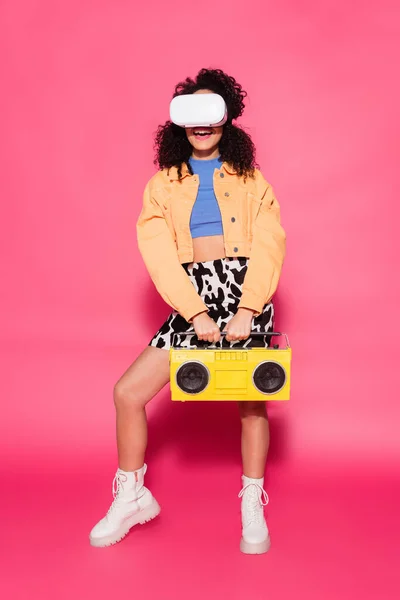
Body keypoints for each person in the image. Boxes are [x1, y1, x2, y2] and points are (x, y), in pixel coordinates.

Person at [89, 68, 286, 554]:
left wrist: (249, 307)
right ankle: (133, 496)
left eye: (210, 114)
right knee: (128, 393)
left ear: (226, 119)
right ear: (179, 123)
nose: (201, 126)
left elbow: (269, 243)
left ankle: (251, 503)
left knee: (250, 400)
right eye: (191, 116)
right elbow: (156, 252)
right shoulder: (162, 185)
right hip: (192, 296)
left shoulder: (251, 179)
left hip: (244, 291)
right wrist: (195, 312)